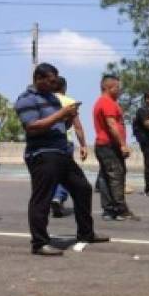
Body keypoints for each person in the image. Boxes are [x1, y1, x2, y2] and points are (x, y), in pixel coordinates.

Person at [14, 63, 109, 256]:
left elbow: (59, 126)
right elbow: (32, 127)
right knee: (42, 197)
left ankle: (86, 233)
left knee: (83, 188)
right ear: (38, 79)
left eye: (55, 81)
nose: (53, 84)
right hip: (42, 153)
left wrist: (68, 117)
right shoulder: (26, 99)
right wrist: (62, 114)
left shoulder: (53, 98)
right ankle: (39, 243)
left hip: (61, 152)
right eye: (50, 81)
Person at [93, 75, 136, 221]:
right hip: (109, 146)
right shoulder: (107, 103)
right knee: (116, 176)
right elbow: (112, 125)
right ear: (108, 87)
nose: (120, 90)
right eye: (117, 87)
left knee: (106, 177)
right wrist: (122, 145)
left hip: (104, 145)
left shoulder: (104, 102)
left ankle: (109, 210)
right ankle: (120, 209)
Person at [51, 76, 89, 218]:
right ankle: (58, 197)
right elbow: (77, 126)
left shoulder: (46, 100)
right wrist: (83, 145)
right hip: (65, 142)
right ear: (64, 88)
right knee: (65, 173)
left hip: (48, 142)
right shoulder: (69, 102)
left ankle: (54, 197)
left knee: (52, 173)